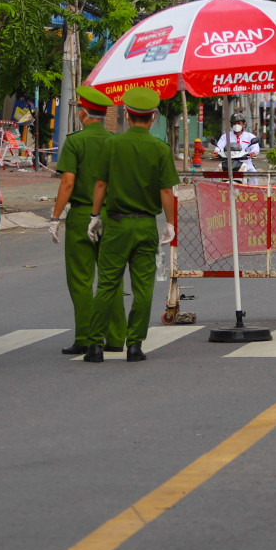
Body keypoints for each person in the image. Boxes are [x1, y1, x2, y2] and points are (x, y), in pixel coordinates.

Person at [84, 86, 179, 364]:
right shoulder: (160, 149)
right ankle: (135, 345)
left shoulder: (111, 145)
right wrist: (170, 223)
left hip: (115, 226)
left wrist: (94, 215)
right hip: (146, 226)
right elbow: (166, 192)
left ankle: (94, 346)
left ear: (126, 114)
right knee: (143, 288)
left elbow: (101, 184)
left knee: (107, 286)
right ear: (152, 118)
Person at [51, 85, 123, 355]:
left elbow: (67, 183)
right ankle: (116, 337)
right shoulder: (114, 141)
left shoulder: (76, 141)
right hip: (111, 215)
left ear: (82, 113)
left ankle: (85, 336)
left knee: (81, 279)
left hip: (82, 214)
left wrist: (54, 216)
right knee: (110, 278)